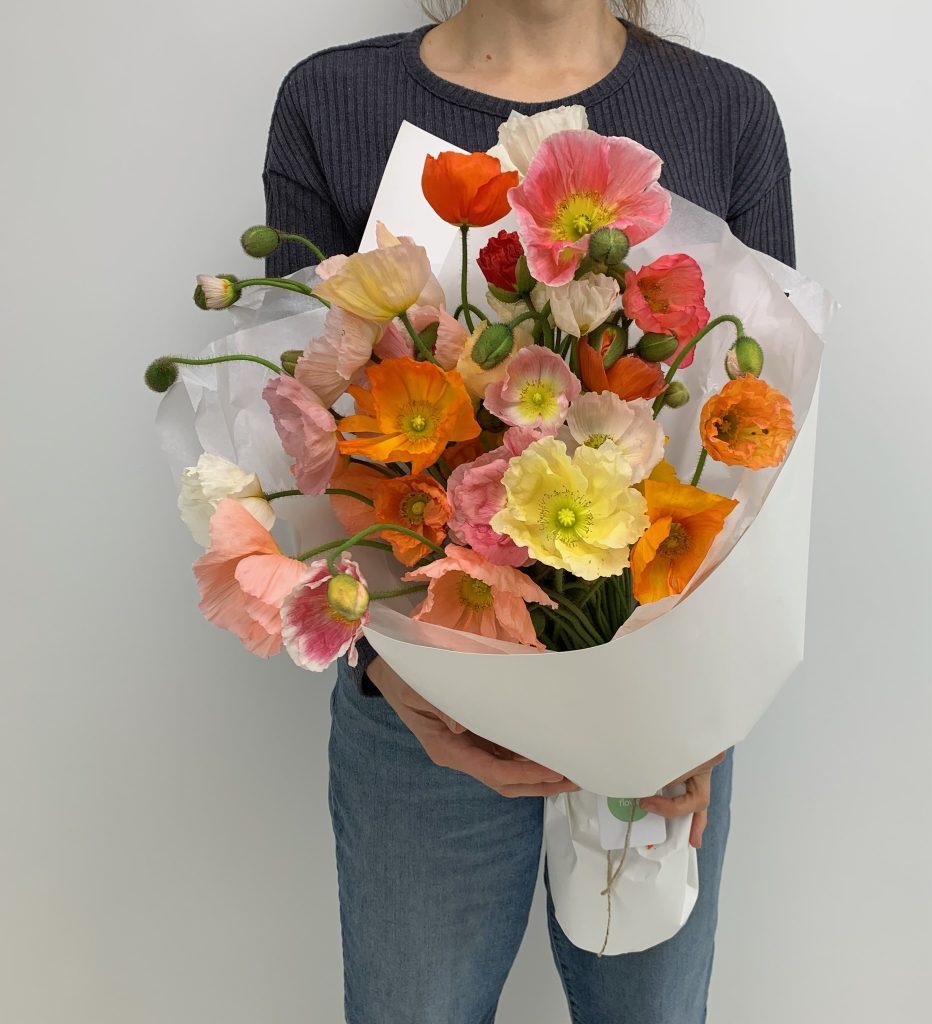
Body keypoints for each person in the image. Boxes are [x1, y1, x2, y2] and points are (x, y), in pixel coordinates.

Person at [262, 2, 795, 1020]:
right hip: (421, 708)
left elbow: (764, 443)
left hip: (658, 709)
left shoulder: (725, 115)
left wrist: (703, 704)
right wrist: (389, 668)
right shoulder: (332, 102)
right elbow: (298, 427)